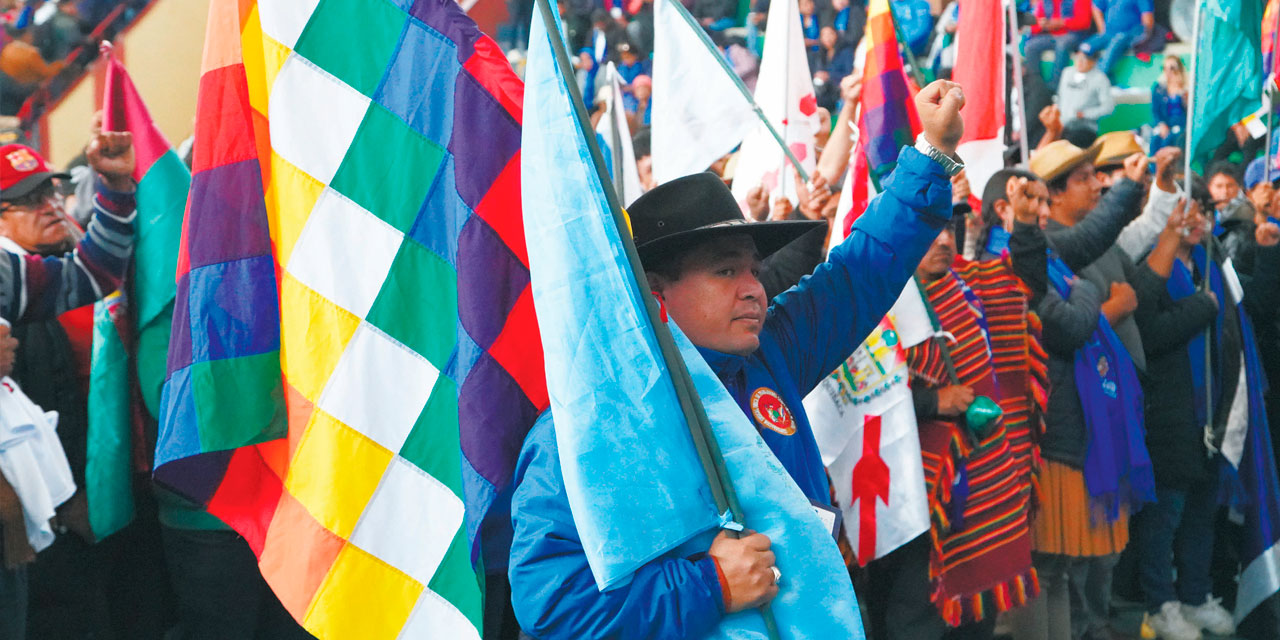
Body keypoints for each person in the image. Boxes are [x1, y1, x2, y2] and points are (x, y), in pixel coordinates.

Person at [508, 80, 967, 639]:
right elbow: (554, 607)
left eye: (753, 269)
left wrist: (931, 156)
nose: (755, 288)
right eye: (727, 271)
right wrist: (711, 586)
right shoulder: (586, 424)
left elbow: (860, 273)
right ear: (655, 293)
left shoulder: (769, 353)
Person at [866, 173, 1049, 640]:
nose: (945, 240)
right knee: (917, 612)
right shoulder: (875, 299)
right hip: (919, 487)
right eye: (931, 230)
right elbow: (857, 394)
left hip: (984, 480)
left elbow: (1024, 285)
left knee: (976, 614)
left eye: (950, 228)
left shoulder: (969, 282)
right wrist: (933, 400)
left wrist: (1025, 224)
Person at [1019, 141, 1173, 640]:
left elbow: (1106, 249)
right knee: (1047, 567)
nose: (1096, 184)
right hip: (1053, 430)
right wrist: (1096, 302)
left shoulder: (1061, 250)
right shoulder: (1019, 254)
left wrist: (1135, 189)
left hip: (1086, 424)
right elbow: (1063, 328)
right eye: (1084, 178)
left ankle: (1091, 627)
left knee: (1061, 567)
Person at [0, 132, 137, 639]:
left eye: (49, 192)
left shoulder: (10, 271)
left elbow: (93, 274)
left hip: (44, 521)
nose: (48, 205)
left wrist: (117, 185)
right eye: (25, 199)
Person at [1132, 188, 1280, 640]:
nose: (1198, 218)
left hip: (1217, 409)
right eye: (1189, 209)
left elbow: (1252, 309)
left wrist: (1270, 254)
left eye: (1204, 210)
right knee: (1166, 514)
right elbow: (1149, 334)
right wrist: (1201, 308)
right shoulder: (1149, 266)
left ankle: (1195, 596)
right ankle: (1161, 603)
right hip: (1171, 410)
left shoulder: (1215, 265)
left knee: (1201, 512)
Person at [1023, 0, 1094, 88]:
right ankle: (1036, 84)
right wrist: (1042, 24)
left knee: (1062, 45)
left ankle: (1055, 86)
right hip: (1053, 36)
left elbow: (1084, 22)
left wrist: (1062, 23)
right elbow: (1035, 24)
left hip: (1076, 35)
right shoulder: (1045, 2)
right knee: (1030, 46)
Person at [1084, 0, 1155, 79]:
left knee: (1116, 42)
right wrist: (1102, 30)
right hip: (1108, 34)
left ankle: (1097, 78)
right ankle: (1086, 78)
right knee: (1085, 47)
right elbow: (1096, 7)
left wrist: (1142, 40)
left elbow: (1148, 20)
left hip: (1128, 35)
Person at [1057, 43, 1115, 129]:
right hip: (1062, 124)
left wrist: (1084, 114)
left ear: (1093, 61)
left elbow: (1108, 107)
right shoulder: (1067, 72)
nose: (1080, 62)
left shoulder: (1100, 79)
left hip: (1084, 127)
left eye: (1084, 58)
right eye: (1078, 57)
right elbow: (1060, 96)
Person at [1149, 55, 1187, 154]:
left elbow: (1188, 112)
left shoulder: (1186, 88)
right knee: (1156, 139)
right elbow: (1155, 111)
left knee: (1170, 140)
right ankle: (1154, 168)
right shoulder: (1159, 88)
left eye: (1172, 68)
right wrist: (1162, 124)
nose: (1168, 72)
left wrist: (1181, 92)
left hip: (1180, 126)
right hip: (1164, 124)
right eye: (1165, 68)